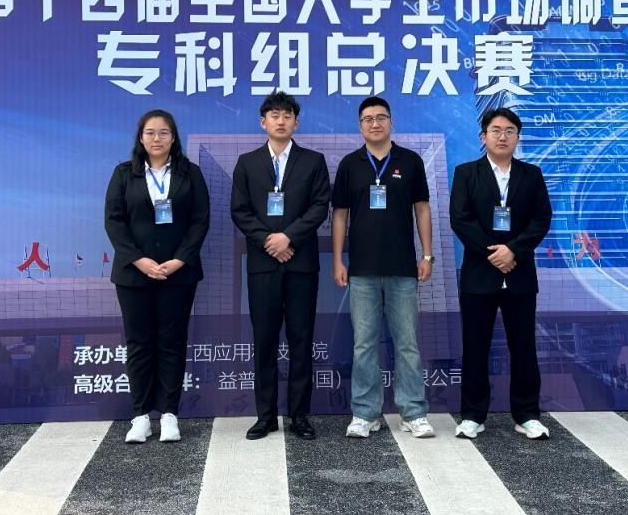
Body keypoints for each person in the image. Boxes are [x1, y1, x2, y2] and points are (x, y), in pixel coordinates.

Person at [331, 96, 436, 439]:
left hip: (403, 269)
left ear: (391, 122)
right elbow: (340, 215)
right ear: (360, 125)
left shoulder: (411, 161)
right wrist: (337, 259)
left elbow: (422, 209)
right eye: (368, 119)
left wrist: (427, 255)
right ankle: (365, 413)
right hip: (361, 270)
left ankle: (413, 412)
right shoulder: (350, 164)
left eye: (381, 117)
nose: (374, 124)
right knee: (364, 344)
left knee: (407, 343)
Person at [105, 109, 210, 443]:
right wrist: (138, 260)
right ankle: (140, 416)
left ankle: (169, 414)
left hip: (178, 274)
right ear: (141, 137)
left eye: (164, 132)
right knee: (139, 344)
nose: (157, 138)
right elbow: (114, 221)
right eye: (150, 132)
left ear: (173, 137)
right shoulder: (125, 173)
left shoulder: (190, 173)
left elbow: (200, 220)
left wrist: (180, 260)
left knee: (172, 342)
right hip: (134, 274)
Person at [231, 90, 331, 441]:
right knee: (265, 341)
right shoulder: (247, 163)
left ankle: (300, 416)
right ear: (263, 122)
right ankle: (266, 416)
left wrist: (288, 238)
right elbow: (240, 210)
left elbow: (319, 207)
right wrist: (269, 241)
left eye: (287, 116)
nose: (281, 121)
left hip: (301, 263)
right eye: (274, 115)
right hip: (263, 265)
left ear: (296, 123)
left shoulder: (313, 161)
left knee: (302, 339)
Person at [449, 108, 553, 440]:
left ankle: (527, 414)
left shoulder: (531, 174)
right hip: (480, 274)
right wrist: (494, 253)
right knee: (475, 346)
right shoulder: (467, 173)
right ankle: (472, 415)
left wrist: (514, 251)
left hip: (519, 274)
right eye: (496, 130)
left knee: (523, 346)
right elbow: (460, 219)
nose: (502, 136)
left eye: (509, 130)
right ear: (484, 137)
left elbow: (541, 219)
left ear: (517, 137)